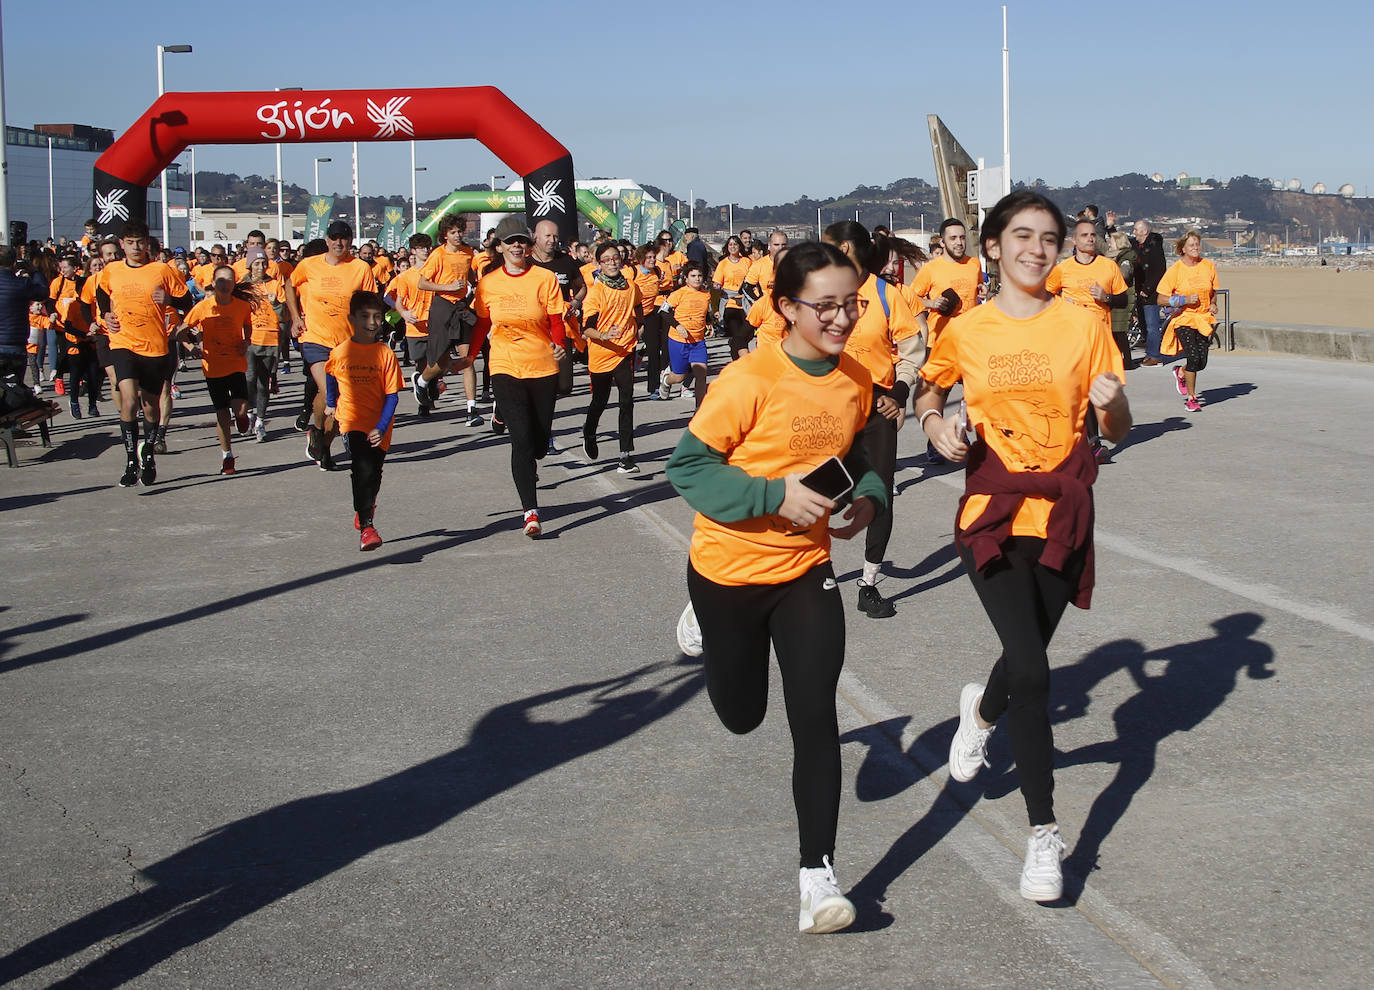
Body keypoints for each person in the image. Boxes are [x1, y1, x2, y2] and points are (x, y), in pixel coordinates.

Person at [915, 190, 1131, 902]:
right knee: (1035, 672)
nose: (1036, 249)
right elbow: (929, 388)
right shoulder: (968, 330)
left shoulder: (1083, 325)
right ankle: (1045, 838)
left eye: (1048, 237)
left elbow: (1118, 429)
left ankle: (979, 712)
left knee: (1024, 656)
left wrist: (1113, 405)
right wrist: (933, 425)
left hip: (1065, 510)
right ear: (995, 247)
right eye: (1022, 236)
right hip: (994, 510)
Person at [665, 241, 886, 934]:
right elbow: (688, 470)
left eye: (851, 303)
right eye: (826, 306)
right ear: (786, 308)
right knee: (741, 716)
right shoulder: (748, 380)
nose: (843, 318)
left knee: (815, 714)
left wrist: (868, 499)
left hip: (805, 572)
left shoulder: (855, 378)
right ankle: (701, 627)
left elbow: (859, 454)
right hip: (727, 571)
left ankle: (816, 877)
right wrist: (770, 495)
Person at [822, 222, 922, 618]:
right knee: (822, 491)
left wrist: (898, 394)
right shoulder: (822, 291)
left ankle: (868, 583)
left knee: (879, 492)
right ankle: (804, 565)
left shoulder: (886, 294)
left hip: (877, 410)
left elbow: (913, 350)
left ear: (845, 247)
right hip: (829, 409)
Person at [454, 224, 567, 537]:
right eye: (510, 243)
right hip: (505, 365)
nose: (516, 247)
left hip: (542, 366)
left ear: (528, 246)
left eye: (521, 242)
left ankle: (520, 435)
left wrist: (560, 344)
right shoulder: (488, 283)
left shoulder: (544, 279)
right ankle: (530, 512)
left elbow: (556, 320)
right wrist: (470, 356)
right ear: (499, 247)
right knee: (521, 441)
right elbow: (482, 325)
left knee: (539, 444)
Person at [96, 219, 194, 487]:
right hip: (123, 343)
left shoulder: (161, 270)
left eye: (140, 242)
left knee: (150, 406)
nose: (135, 247)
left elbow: (188, 300)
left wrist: (170, 301)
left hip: (154, 346)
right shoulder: (112, 270)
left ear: (147, 243)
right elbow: (101, 292)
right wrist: (106, 314)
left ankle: (148, 455)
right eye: (130, 243)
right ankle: (130, 461)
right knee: (128, 400)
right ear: (122, 245)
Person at [285, 220, 378, 471]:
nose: (339, 242)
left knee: (341, 401)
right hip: (316, 338)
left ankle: (323, 446)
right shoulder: (309, 265)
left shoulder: (360, 268)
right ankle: (316, 430)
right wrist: (295, 317)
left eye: (344, 238)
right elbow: (289, 286)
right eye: (334, 237)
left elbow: (369, 303)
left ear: (351, 241)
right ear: (327, 240)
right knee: (328, 392)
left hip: (347, 344)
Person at [325, 291, 404, 551]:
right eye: (365, 317)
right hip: (350, 420)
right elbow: (330, 374)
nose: (372, 323)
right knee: (361, 468)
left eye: (377, 317)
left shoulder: (385, 355)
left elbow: (392, 397)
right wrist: (330, 402)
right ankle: (368, 528)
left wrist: (381, 427)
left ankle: (365, 508)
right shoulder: (340, 352)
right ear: (352, 319)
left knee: (375, 472)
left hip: (379, 424)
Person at [1045, 217, 1129, 459]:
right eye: (1084, 235)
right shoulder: (1063, 269)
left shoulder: (1108, 267)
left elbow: (1123, 299)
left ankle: (1076, 436)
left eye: (1093, 235)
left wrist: (1107, 297)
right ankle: (1093, 444)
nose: (1090, 239)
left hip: (1101, 339)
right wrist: (1061, 302)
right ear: (1074, 240)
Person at [177, 265, 255, 474]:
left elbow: (248, 325)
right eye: (221, 280)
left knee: (240, 409)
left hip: (235, 363)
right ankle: (227, 456)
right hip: (213, 368)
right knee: (222, 414)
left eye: (229, 281)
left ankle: (241, 417)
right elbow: (181, 332)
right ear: (212, 282)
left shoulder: (242, 306)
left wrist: (246, 341)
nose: (225, 284)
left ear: (234, 284)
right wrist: (191, 347)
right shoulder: (203, 307)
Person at [581, 241, 643, 472]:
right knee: (600, 400)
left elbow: (638, 308)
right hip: (601, 353)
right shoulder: (596, 292)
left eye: (615, 257)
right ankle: (589, 431)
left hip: (625, 350)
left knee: (626, 401)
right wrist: (604, 335)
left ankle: (625, 456)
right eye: (606, 259)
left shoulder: (631, 286)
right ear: (599, 263)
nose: (612, 262)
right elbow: (585, 328)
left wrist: (639, 327)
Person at [412, 213, 480, 425]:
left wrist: (475, 286)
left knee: (468, 359)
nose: (458, 235)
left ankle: (472, 409)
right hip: (442, 306)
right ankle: (422, 381)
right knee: (440, 362)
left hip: (461, 308)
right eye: (453, 232)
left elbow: (470, 274)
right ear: (445, 235)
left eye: (460, 231)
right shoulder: (437, 255)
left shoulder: (468, 253)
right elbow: (422, 283)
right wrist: (447, 287)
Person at [1156, 230, 1219, 412]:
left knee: (1201, 362)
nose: (1195, 248)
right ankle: (1192, 398)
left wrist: (1213, 304)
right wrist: (1182, 300)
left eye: (1197, 244)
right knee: (1192, 357)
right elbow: (1161, 299)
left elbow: (1213, 293)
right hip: (1183, 319)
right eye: (1191, 245)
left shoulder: (1208, 266)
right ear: (1183, 248)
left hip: (1204, 319)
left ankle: (1181, 372)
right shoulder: (1175, 270)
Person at [386, 233, 434, 413]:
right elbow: (398, 301)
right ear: (413, 251)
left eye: (428, 247)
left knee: (436, 362)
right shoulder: (406, 277)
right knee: (421, 364)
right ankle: (424, 403)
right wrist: (404, 313)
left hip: (433, 324)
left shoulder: (434, 272)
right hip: (414, 326)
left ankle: (430, 388)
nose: (426, 251)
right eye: (421, 248)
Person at [244, 249, 286, 441]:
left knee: (263, 383)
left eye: (263, 264)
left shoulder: (275, 284)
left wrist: (276, 303)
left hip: (269, 338)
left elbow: (283, 314)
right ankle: (249, 412)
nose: (261, 267)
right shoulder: (242, 286)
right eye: (257, 264)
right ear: (250, 266)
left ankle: (260, 421)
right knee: (249, 377)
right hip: (249, 339)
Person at [659, 263, 712, 408]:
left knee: (701, 375)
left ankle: (699, 410)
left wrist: (709, 322)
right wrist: (677, 325)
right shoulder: (679, 294)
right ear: (686, 279)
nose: (697, 279)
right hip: (678, 341)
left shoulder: (706, 295)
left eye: (699, 276)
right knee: (679, 377)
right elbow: (664, 312)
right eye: (693, 276)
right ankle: (666, 381)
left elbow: (704, 312)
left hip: (698, 342)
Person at [1130, 220, 1167, 366]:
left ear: (1144, 232)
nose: (1133, 232)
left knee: (1152, 325)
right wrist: (1110, 226)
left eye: (1135, 230)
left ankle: (1155, 355)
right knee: (1144, 325)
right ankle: (1149, 352)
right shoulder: (1138, 245)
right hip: (1140, 291)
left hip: (1151, 294)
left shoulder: (1155, 247)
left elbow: (1159, 270)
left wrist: (1148, 289)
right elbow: (1121, 240)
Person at [713, 235, 752, 359]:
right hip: (730, 302)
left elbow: (753, 280)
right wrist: (716, 287)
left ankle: (735, 348)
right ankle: (739, 362)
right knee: (737, 335)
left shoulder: (746, 262)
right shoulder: (723, 264)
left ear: (739, 246)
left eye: (735, 244)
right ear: (727, 247)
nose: (733, 247)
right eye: (730, 244)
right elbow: (716, 283)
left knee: (746, 335)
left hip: (745, 302)